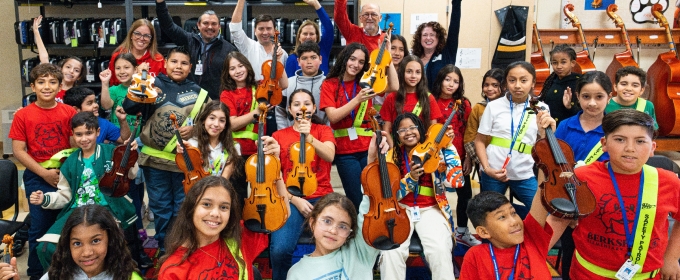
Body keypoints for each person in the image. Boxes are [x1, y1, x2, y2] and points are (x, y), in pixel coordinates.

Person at [550, 109, 680, 279]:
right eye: (620, 140)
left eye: (640, 141)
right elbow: (557, 220)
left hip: (647, 275)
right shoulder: (582, 178)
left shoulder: (669, 182)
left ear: (652, 148)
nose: (630, 148)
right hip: (589, 274)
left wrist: (671, 257)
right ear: (604, 143)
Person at [123, 46, 210, 254]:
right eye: (174, 62)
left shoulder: (199, 93)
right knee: (161, 209)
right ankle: (164, 250)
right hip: (154, 163)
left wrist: (196, 128)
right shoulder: (153, 83)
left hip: (185, 163)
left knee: (183, 209)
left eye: (183, 63)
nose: (178, 66)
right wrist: (139, 81)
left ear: (191, 67)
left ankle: (181, 249)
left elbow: (212, 124)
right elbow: (129, 107)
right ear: (165, 63)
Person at [28, 112, 138, 269]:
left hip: (107, 209)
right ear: (72, 134)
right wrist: (45, 199)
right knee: (45, 248)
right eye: (79, 134)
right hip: (76, 211)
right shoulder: (69, 162)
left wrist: (131, 155)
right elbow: (65, 196)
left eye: (89, 133)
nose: (84, 138)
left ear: (98, 132)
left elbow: (132, 174)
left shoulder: (113, 151)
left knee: (110, 249)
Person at [287, 130, 389, 279]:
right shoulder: (296, 273)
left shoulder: (360, 252)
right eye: (327, 221)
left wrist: (372, 161)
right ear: (312, 222)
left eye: (343, 226)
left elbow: (370, 207)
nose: (333, 230)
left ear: (350, 232)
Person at [9, 63, 77, 279]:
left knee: (67, 226)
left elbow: (75, 145)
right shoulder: (23, 115)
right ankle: (36, 273)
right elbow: (19, 151)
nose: (47, 86)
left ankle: (65, 271)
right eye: (41, 82)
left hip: (66, 175)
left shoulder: (69, 112)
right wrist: (44, 174)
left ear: (59, 87)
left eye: (52, 82)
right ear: (32, 86)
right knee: (39, 226)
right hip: (37, 176)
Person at [378, 113, 463, 279]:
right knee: (391, 252)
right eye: (402, 130)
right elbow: (391, 195)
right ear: (396, 135)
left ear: (421, 130)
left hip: (431, 208)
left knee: (438, 248)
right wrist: (411, 178)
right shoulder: (391, 156)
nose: (408, 132)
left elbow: (456, 182)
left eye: (412, 127)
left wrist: (449, 146)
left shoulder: (438, 152)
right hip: (400, 209)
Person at [319, 42, 398, 210]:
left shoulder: (366, 82)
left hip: (369, 147)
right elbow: (332, 117)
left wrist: (387, 59)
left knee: (375, 191)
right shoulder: (330, 84)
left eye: (361, 62)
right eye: (352, 59)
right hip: (345, 152)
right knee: (356, 196)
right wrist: (357, 100)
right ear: (345, 59)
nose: (355, 65)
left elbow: (394, 86)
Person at [474, 61, 556, 219]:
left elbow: (544, 146)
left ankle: (527, 240)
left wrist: (546, 132)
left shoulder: (541, 108)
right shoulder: (494, 106)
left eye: (524, 80)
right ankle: (490, 243)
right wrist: (486, 168)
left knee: (540, 211)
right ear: (506, 83)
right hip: (493, 171)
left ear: (533, 83)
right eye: (512, 80)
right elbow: (479, 141)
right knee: (489, 215)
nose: (517, 85)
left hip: (524, 173)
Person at [270, 89, 336, 279]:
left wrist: (310, 138)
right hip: (290, 198)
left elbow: (329, 155)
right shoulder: (279, 135)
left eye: (307, 103)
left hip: (323, 197)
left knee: (335, 243)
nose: (302, 107)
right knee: (280, 250)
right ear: (290, 109)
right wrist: (295, 200)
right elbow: (274, 176)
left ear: (314, 108)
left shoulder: (323, 131)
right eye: (296, 104)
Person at [553, 70, 612, 279]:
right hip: (569, 200)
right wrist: (570, 213)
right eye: (586, 97)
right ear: (577, 97)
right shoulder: (565, 126)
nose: (592, 103)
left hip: (600, 202)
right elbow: (556, 165)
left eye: (599, 97)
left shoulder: (613, 130)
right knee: (570, 251)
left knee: (599, 253)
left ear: (609, 97)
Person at [158, 176, 269, 279]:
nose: (215, 213)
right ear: (191, 208)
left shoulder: (240, 234)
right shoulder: (173, 270)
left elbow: (278, 214)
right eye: (206, 204)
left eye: (223, 207)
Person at [220, 52, 283, 202]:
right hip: (236, 152)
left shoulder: (260, 86)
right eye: (232, 68)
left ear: (247, 66)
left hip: (259, 150)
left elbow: (284, 85)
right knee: (237, 193)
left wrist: (278, 61)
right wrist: (256, 113)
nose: (238, 70)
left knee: (261, 191)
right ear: (227, 73)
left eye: (240, 66)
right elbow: (232, 124)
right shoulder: (227, 94)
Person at [459, 189, 561, 279]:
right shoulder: (475, 256)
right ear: (484, 232)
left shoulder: (531, 240)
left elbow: (542, 191)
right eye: (502, 217)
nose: (514, 222)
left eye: (513, 213)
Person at [431, 65, 480, 247]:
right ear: (440, 80)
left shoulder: (463, 104)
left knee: (465, 194)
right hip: (436, 158)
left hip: (459, 157)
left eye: (456, 81)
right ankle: (439, 230)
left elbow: (469, 132)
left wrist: (468, 157)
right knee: (437, 195)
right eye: (447, 79)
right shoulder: (430, 100)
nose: (451, 84)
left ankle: (462, 231)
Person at [155, 0, 239, 100]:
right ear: (198, 25)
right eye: (206, 23)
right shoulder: (188, 40)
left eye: (214, 24)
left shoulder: (229, 50)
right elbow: (168, 26)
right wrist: (160, 4)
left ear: (219, 27)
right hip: (187, 99)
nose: (210, 27)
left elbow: (235, 79)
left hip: (215, 103)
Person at [43, 204, 141, 279]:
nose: (87, 253)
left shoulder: (128, 277)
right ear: (67, 246)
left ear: (111, 241)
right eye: (77, 243)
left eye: (95, 241)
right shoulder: (56, 275)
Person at [380, 55, 442, 144]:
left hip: (421, 149)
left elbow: (433, 130)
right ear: (402, 73)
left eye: (418, 72)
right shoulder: (391, 97)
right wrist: (394, 152)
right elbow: (386, 130)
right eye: (409, 71)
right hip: (398, 149)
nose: (413, 76)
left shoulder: (429, 98)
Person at [176, 100, 241, 179]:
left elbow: (225, 179)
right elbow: (187, 170)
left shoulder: (234, 147)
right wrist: (183, 152)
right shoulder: (193, 144)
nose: (216, 124)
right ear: (204, 120)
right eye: (212, 118)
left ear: (225, 125)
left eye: (222, 120)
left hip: (220, 188)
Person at [32, 16, 84, 103]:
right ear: (60, 68)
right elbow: (44, 57)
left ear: (79, 76)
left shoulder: (78, 95)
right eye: (68, 67)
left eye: (76, 70)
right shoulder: (51, 88)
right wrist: (36, 32)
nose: (71, 71)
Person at [277, 42, 328, 130]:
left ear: (320, 59)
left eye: (313, 57)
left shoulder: (328, 84)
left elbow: (330, 116)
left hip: (321, 137)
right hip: (291, 137)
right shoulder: (288, 83)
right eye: (304, 58)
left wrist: (327, 136)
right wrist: (283, 132)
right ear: (298, 61)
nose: (309, 62)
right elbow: (280, 111)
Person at [412, 0, 461, 91]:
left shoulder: (447, 54)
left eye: (432, 35)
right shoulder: (414, 57)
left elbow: (454, 28)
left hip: (439, 103)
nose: (428, 38)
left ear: (438, 38)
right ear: (419, 38)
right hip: (417, 102)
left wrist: (456, 3)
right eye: (425, 35)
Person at [463, 68, 504, 173]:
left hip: (505, 159)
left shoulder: (508, 108)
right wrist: (481, 161)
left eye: (495, 85)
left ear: (504, 87)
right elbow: (469, 137)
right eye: (486, 85)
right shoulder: (479, 108)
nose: (489, 89)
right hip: (481, 160)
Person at [63, 86, 131, 145]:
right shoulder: (65, 124)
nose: (96, 105)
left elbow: (125, 140)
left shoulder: (102, 123)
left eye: (95, 101)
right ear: (76, 109)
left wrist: (122, 120)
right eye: (89, 103)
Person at [107, 19, 166, 86]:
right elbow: (113, 85)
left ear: (151, 39)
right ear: (131, 35)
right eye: (137, 34)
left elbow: (164, 87)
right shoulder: (117, 56)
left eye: (146, 36)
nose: (141, 38)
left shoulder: (158, 59)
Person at [284, 0, 334, 77]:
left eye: (311, 34)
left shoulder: (323, 50)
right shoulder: (292, 59)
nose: (308, 36)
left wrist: (316, 4)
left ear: (317, 37)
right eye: (305, 33)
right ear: (299, 37)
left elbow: (328, 28)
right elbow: (290, 84)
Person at [538, 44, 580, 126]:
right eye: (554, 63)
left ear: (572, 63)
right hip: (549, 127)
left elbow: (585, 113)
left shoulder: (579, 82)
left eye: (563, 62)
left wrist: (569, 107)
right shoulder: (551, 80)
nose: (559, 66)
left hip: (568, 129)